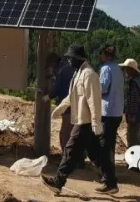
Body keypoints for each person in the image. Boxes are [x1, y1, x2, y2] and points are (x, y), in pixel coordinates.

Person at [43, 44, 118, 195]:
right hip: (82, 120)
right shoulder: (78, 73)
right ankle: (111, 183)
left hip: (86, 122)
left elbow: (94, 101)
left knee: (70, 150)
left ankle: (58, 182)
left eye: (70, 58)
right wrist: (60, 109)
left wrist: (96, 122)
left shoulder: (89, 75)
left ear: (78, 59)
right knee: (96, 154)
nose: (68, 60)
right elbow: (71, 96)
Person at [97, 44, 124, 178]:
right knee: (110, 143)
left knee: (104, 145)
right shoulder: (118, 69)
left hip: (108, 111)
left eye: (101, 54)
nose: (100, 56)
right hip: (117, 111)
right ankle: (110, 171)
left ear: (105, 55)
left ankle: (107, 175)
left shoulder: (106, 69)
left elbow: (103, 88)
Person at [120, 58, 140, 147]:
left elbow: (134, 100)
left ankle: (133, 155)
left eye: (127, 69)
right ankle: (137, 153)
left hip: (136, 116)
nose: (126, 71)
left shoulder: (134, 83)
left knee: (132, 140)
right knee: (138, 138)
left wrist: (131, 115)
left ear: (132, 70)